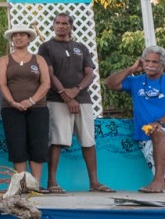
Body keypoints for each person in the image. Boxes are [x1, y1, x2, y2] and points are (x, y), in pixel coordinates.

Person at [38, 13, 113, 194]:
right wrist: (66, 95)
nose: (61, 26)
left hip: (83, 99)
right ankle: (52, 182)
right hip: (57, 99)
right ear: (53, 25)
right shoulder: (46, 47)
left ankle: (94, 182)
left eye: (65, 23)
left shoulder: (81, 47)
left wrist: (77, 90)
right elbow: (49, 74)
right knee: (57, 140)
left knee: (88, 141)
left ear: (71, 26)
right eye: (58, 23)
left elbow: (90, 74)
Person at [105, 45, 165, 194]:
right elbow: (110, 84)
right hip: (145, 137)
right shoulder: (135, 81)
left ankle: (157, 182)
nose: (150, 65)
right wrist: (131, 69)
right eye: (147, 61)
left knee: (158, 133)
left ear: (162, 64)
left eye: (155, 62)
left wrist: (159, 124)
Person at [0, 28, 50, 183]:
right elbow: (2, 83)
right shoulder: (4, 59)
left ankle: (36, 183)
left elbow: (46, 83)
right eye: (15, 36)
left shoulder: (38, 59)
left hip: (38, 108)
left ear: (29, 39)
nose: (18, 38)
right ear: (12, 40)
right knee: (17, 144)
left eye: (22, 35)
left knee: (38, 144)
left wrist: (31, 101)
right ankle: (22, 183)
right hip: (11, 109)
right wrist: (13, 102)